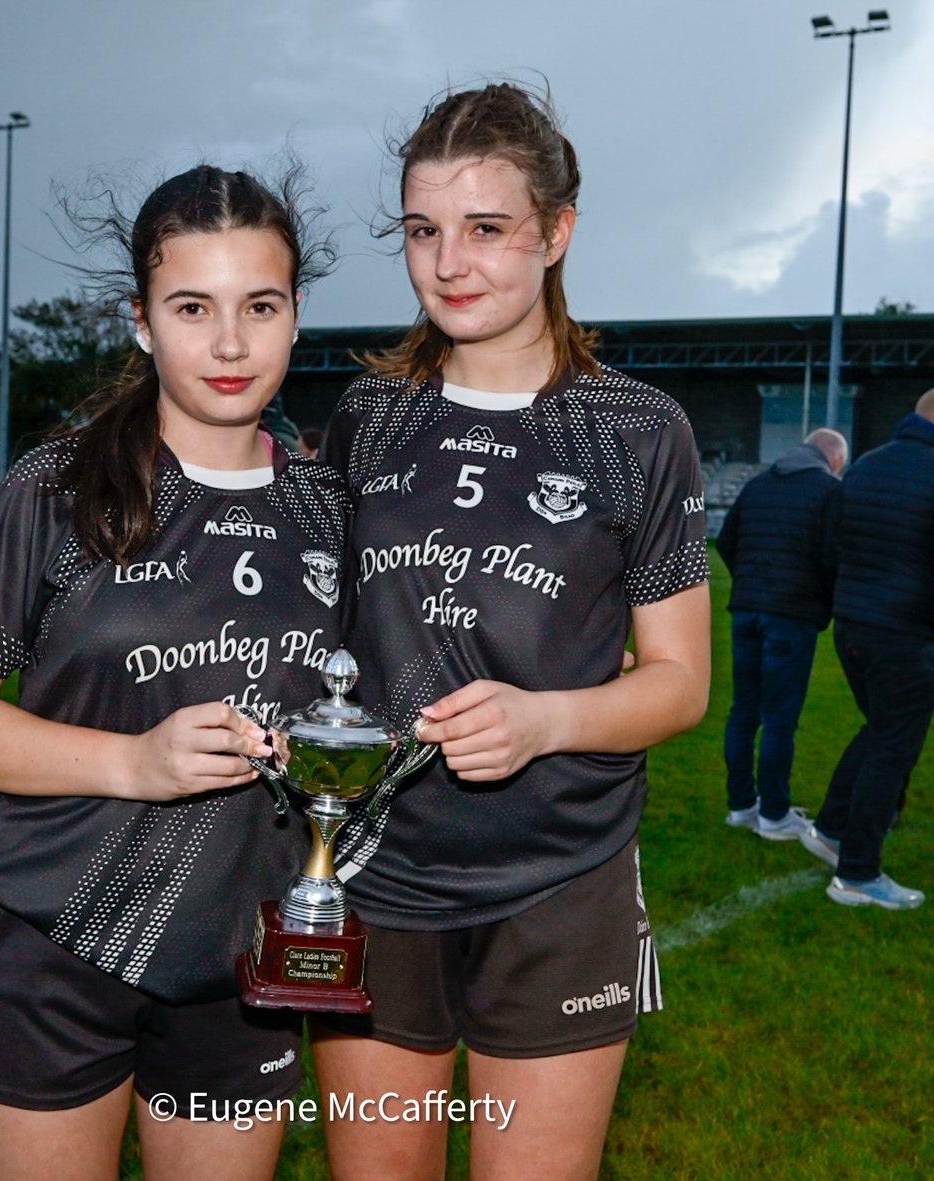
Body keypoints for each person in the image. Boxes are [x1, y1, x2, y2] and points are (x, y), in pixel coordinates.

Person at [0, 165, 347, 1181]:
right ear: (141, 320)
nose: (229, 343)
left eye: (259, 306)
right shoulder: (57, 488)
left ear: (296, 315)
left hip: (242, 957)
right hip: (52, 939)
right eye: (193, 306)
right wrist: (136, 760)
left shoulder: (331, 507)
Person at [312, 82, 711, 1181]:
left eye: (486, 229)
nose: (450, 264)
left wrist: (544, 718)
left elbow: (678, 683)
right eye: (423, 231)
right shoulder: (367, 415)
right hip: (375, 879)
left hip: (559, 881)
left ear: (556, 233)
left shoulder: (637, 430)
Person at [799, 390, 934, 910]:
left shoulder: (867, 465)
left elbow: (832, 546)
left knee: (881, 730)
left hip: (854, 624)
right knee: (895, 746)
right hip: (906, 631)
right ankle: (858, 873)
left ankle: (832, 829)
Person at [716, 429, 847, 838]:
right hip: (791, 616)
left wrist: (751, 582)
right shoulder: (828, 490)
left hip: (747, 611)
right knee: (779, 719)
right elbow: (833, 557)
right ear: (835, 460)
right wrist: (820, 602)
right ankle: (774, 814)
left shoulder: (758, 484)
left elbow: (726, 541)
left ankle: (740, 805)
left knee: (743, 712)